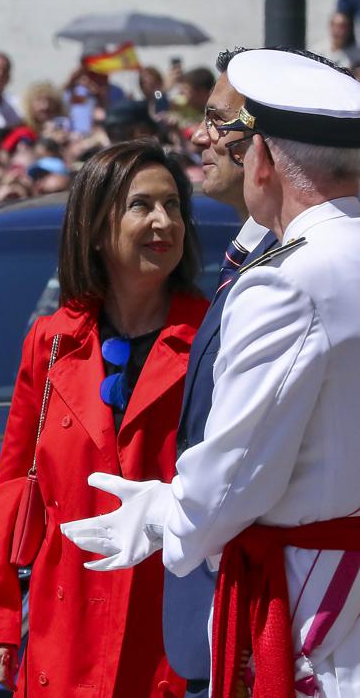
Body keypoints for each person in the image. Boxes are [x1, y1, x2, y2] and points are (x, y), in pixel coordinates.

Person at [62, 49, 360, 698]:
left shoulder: (287, 283)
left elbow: (232, 480)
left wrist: (169, 510)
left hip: (318, 611)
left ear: (263, 161)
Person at [0, 140, 207, 696]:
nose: (162, 221)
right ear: (97, 229)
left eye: (173, 206)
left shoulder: (212, 339)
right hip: (64, 620)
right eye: (141, 206)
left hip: (170, 618)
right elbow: (12, 486)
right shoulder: (51, 341)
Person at [156, 47, 273, 698]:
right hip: (221, 618)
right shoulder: (247, 262)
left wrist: (165, 512)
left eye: (218, 120)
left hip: (276, 615)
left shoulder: (286, 273)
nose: (197, 136)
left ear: (265, 143)